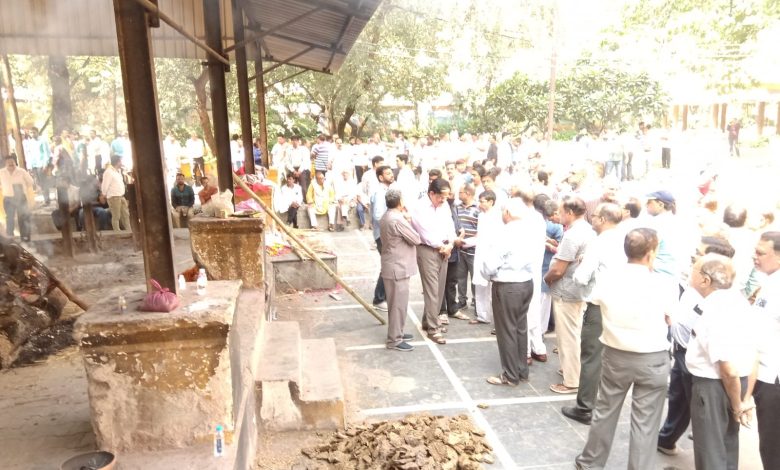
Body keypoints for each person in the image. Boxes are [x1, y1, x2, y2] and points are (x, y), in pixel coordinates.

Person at [574, 228, 676, 470]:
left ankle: (590, 462)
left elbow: (595, 300)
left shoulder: (609, 278)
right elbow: (672, 319)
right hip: (653, 359)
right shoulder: (663, 283)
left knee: (605, 411)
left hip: (616, 355)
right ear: (652, 253)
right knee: (645, 423)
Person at [657, 235, 736, 456]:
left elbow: (725, 359)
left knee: (697, 411)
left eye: (698, 255)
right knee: (678, 399)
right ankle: (667, 438)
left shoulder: (719, 300)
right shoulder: (695, 285)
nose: (693, 260)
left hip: (697, 361)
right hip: (682, 351)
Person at [686, 254, 758, 470]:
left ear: (705, 280)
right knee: (727, 445)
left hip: (715, 387)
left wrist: (738, 405)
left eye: (694, 270)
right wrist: (744, 398)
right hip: (736, 384)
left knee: (711, 451)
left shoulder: (715, 309)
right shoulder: (738, 301)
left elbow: (727, 368)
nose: (691, 273)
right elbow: (753, 355)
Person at [561, 203, 626, 425]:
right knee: (612, 357)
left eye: (595, 216)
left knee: (591, 357)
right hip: (620, 304)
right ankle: (605, 403)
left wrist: (582, 273)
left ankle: (585, 407)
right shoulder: (625, 239)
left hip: (600, 305)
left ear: (603, 220)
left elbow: (581, 277)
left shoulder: (599, 243)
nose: (592, 220)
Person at [481, 198, 543, 386]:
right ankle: (521, 370)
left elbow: (490, 264)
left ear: (507, 213)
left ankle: (510, 375)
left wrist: (486, 273)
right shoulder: (531, 231)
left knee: (506, 330)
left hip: (508, 285)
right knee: (519, 328)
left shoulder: (505, 233)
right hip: (526, 282)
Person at [544, 197, 595, 394]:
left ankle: (572, 380)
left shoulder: (573, 235)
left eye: (561, 212)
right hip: (577, 291)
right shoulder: (588, 230)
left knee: (567, 336)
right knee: (573, 333)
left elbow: (559, 268)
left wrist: (547, 279)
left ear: (570, 213)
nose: (559, 215)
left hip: (567, 290)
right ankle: (572, 369)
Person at [410, 178, 457, 345]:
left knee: (439, 289)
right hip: (428, 250)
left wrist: (450, 244)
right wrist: (442, 246)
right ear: (431, 193)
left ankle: (428, 320)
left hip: (445, 249)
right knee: (432, 290)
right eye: (440, 197)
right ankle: (433, 328)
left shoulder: (444, 206)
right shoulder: (419, 207)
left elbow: (450, 226)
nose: (443, 200)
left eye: (445, 197)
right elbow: (425, 232)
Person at [379, 189, 421, 352]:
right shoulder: (397, 219)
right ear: (400, 202)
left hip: (393, 264)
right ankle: (394, 340)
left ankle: (398, 333)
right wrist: (409, 219)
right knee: (398, 305)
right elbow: (416, 239)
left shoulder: (387, 216)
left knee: (396, 304)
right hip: (398, 266)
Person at [752, 231, 780, 470]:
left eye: (761, 253)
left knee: (772, 447)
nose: (755, 257)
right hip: (764, 373)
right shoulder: (770, 281)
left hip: (773, 377)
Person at [470, 190, 501, 325]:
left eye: (482, 201)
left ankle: (498, 320)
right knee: (480, 285)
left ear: (491, 202)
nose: (479, 203)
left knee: (496, 288)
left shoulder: (499, 216)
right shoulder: (482, 215)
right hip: (481, 253)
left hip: (493, 255)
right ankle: (483, 316)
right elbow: (480, 235)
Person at [370, 165, 395, 311]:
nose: (391, 175)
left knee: (389, 264)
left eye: (391, 173)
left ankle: (383, 296)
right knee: (388, 265)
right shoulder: (380, 193)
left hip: (385, 234)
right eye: (388, 173)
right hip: (383, 235)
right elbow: (378, 215)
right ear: (381, 177)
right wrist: (392, 227)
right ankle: (379, 298)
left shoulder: (386, 191)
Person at [0, 155, 34, 241]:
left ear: (15, 162)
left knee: (23, 217)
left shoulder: (21, 171)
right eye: (9, 162)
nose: (11, 164)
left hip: (21, 197)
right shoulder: (1, 172)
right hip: (8, 198)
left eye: (12, 162)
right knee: (9, 217)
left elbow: (30, 182)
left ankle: (25, 237)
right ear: (5, 163)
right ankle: (10, 237)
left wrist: (24, 190)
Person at [100, 154, 131, 232]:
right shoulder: (108, 172)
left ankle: (128, 230)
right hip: (114, 196)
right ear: (117, 162)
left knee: (125, 214)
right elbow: (105, 184)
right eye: (121, 161)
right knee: (116, 215)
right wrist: (103, 194)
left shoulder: (118, 171)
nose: (122, 162)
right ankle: (117, 231)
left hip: (121, 195)